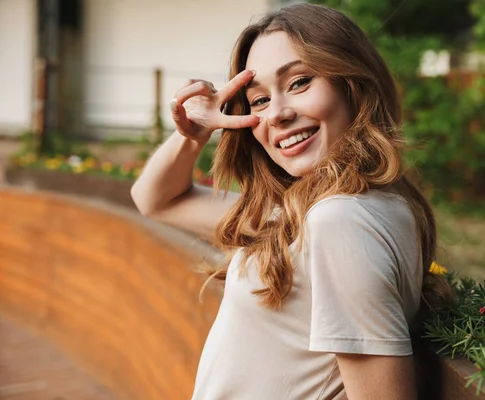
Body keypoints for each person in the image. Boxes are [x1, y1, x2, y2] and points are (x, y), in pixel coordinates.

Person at [131, 3, 450, 399]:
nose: (277, 114)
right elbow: (156, 200)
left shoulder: (339, 222)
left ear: (354, 84)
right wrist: (193, 133)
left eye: (300, 82)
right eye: (259, 100)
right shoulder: (314, 213)